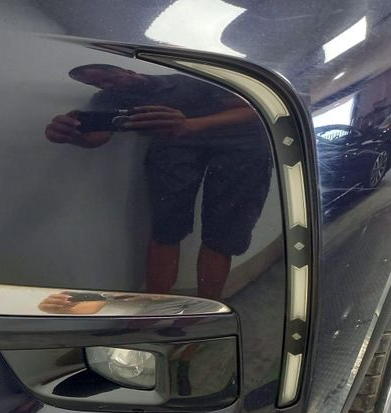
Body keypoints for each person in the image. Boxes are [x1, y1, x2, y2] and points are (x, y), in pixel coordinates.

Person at [45, 64, 271, 299]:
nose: (107, 86)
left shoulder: (188, 80)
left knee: (224, 230)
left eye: (110, 78)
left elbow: (254, 108)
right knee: (166, 225)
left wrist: (190, 125)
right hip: (175, 138)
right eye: (98, 83)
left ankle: (206, 308)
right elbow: (97, 136)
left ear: (129, 71)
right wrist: (71, 135)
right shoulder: (108, 99)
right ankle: (155, 308)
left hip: (241, 140)